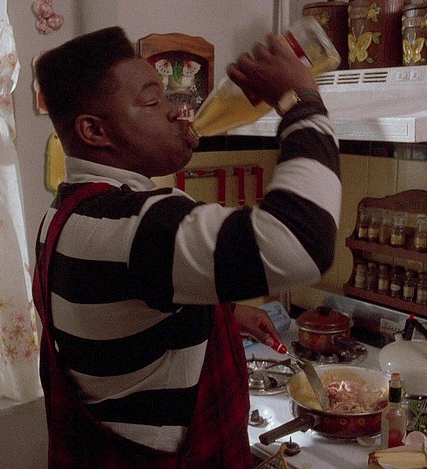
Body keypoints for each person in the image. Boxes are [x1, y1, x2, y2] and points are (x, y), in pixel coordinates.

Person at [32, 26, 341, 468]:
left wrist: (223, 314)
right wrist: (300, 101)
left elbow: (125, 309)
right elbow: (303, 241)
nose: (178, 111)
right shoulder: (133, 227)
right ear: (95, 130)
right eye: (152, 101)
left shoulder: (66, 215)